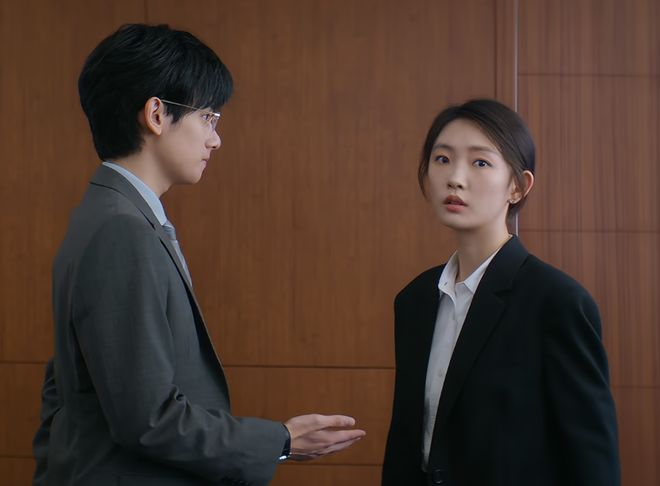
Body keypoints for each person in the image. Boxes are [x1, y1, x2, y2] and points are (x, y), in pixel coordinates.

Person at [32, 23, 365, 486]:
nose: (215, 139)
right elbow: (148, 419)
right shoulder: (122, 230)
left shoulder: (103, 214)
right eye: (208, 117)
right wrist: (281, 441)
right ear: (156, 114)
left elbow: (62, 392)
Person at [382, 99, 620, 486]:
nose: (455, 178)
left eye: (480, 162)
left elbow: (592, 461)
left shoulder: (556, 302)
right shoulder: (415, 300)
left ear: (517, 186)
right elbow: (409, 442)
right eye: (442, 159)